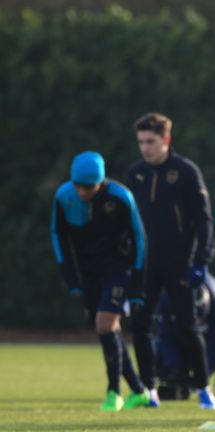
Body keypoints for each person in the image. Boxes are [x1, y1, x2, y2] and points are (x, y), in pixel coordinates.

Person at [127, 112, 215, 410]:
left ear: (166, 140)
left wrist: (202, 261)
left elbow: (204, 219)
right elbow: (129, 225)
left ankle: (204, 388)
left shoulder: (186, 171)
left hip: (181, 265)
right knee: (140, 326)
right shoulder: (136, 173)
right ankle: (148, 390)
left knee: (187, 327)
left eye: (150, 141)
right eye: (141, 142)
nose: (145, 148)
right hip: (145, 267)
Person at [51, 151, 151, 411]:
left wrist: (137, 287)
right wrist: (72, 279)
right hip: (89, 274)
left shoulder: (120, 197)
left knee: (104, 325)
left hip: (118, 270)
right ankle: (139, 391)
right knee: (109, 329)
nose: (83, 192)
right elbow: (58, 237)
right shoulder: (64, 197)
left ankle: (113, 393)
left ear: (101, 181)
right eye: (79, 187)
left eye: (89, 187)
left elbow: (140, 240)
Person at [154, 273, 215, 402]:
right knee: (154, 349)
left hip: (208, 338)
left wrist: (200, 376)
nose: (197, 321)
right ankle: (168, 380)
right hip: (178, 334)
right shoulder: (167, 300)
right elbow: (165, 336)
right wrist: (175, 370)